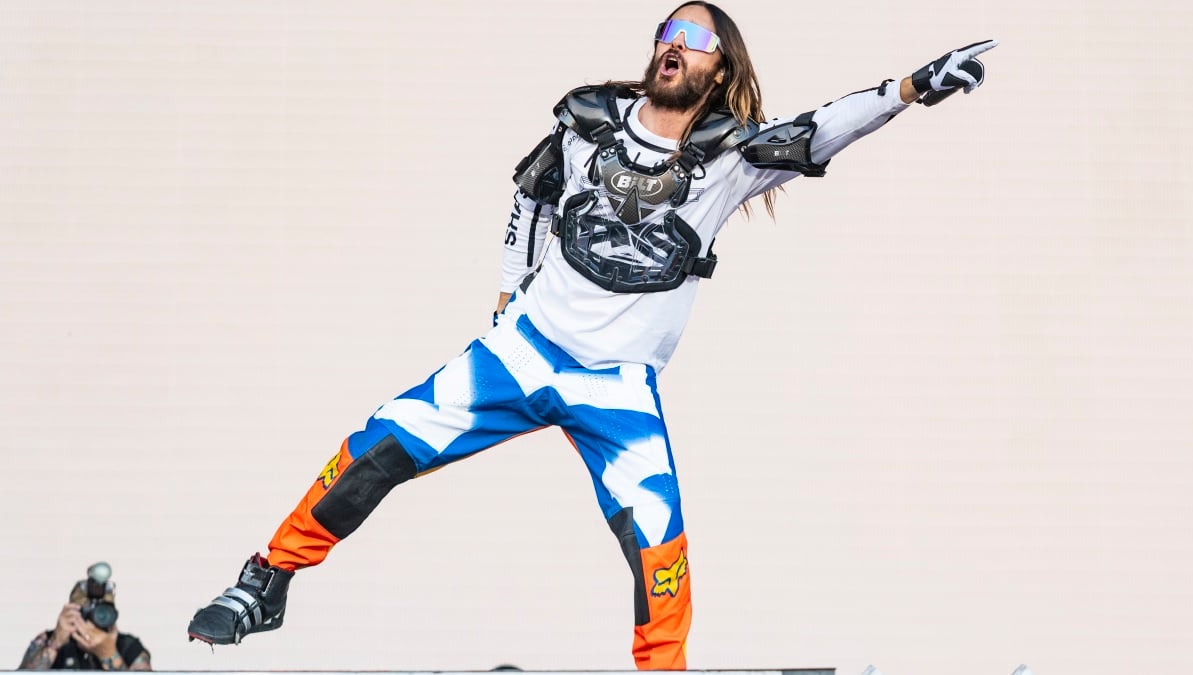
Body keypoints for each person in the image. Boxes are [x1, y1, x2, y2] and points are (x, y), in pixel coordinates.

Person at [186, 2, 997, 669]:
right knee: (382, 442)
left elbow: (824, 129)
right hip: (525, 348)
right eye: (668, 34)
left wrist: (911, 87)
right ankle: (266, 580)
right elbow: (532, 193)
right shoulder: (588, 120)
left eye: (697, 39)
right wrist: (509, 292)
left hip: (618, 385)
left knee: (659, 538)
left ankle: (662, 667)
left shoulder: (733, 156)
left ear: (723, 66)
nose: (676, 47)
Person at [20, 564, 151, 671]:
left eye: (102, 611)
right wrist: (54, 644)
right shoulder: (49, 640)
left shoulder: (129, 646)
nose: (94, 619)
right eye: (87, 611)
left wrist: (109, 654)